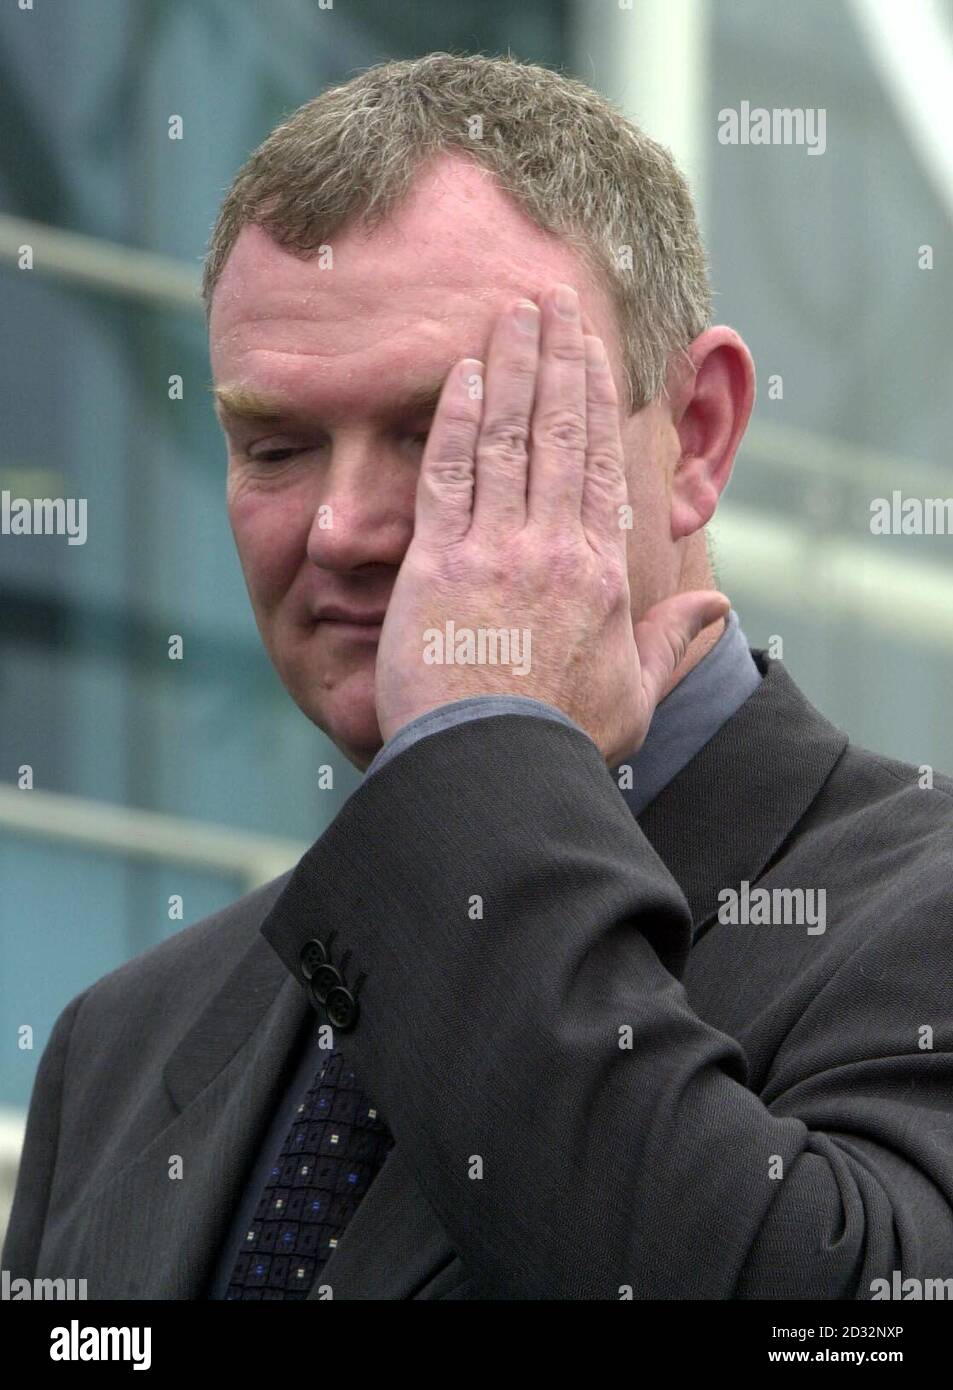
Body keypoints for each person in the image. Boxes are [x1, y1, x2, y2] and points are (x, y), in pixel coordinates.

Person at [4, 52, 952, 1301]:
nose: (340, 526)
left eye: (444, 431)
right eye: (275, 445)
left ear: (697, 437)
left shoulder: (910, 915)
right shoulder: (121, 1045)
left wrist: (482, 745)